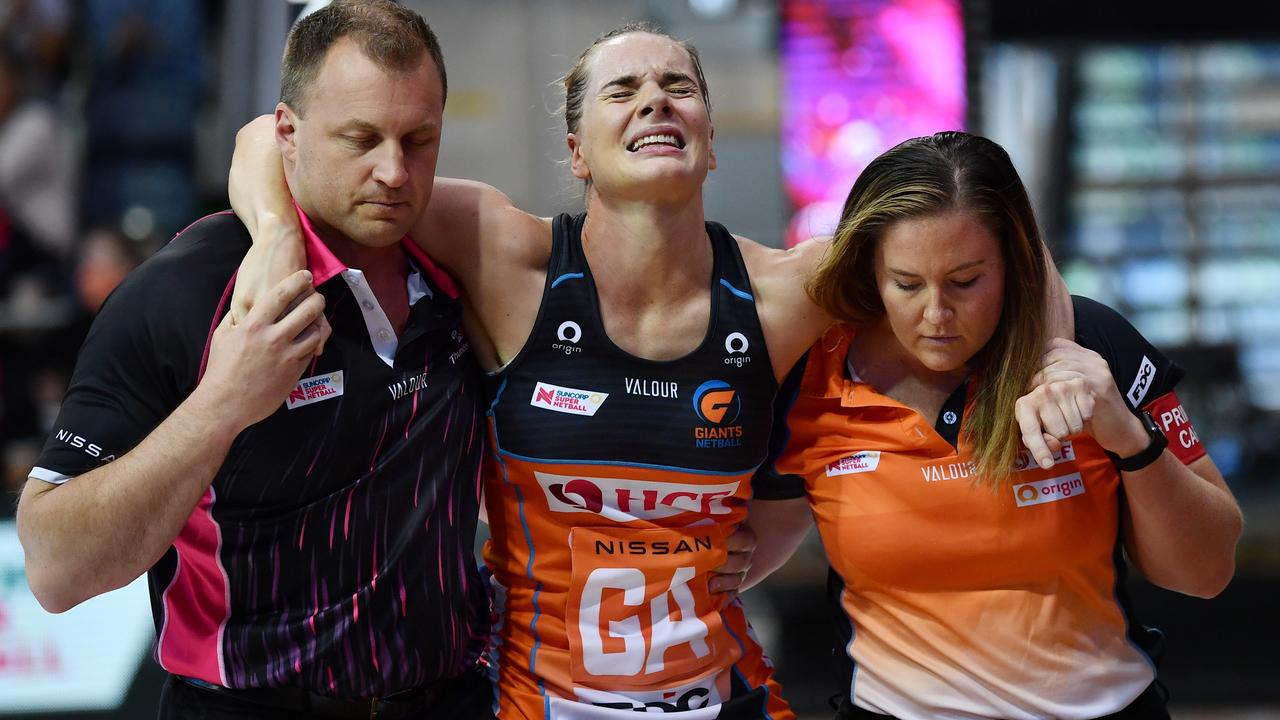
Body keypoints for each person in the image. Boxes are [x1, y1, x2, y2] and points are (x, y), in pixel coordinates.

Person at [228, 20, 850, 720]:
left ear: (709, 146)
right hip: (532, 700)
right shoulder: (505, 258)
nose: (656, 101)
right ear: (576, 152)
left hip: (727, 696)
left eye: (678, 87)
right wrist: (277, 240)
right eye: (625, 90)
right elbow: (272, 140)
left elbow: (944, 251)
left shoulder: (788, 291)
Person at [17, 2, 495, 717]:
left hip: (450, 700)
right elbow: (55, 568)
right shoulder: (187, 291)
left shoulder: (468, 259)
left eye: (418, 139)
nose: (394, 171)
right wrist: (223, 403)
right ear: (288, 135)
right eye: (360, 139)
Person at [744, 131, 1244, 720]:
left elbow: (1207, 571)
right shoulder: (812, 373)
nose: (935, 315)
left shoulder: (1093, 347)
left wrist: (1127, 437)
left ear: (1012, 263)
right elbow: (748, 545)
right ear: (869, 270)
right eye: (906, 284)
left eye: (965, 282)